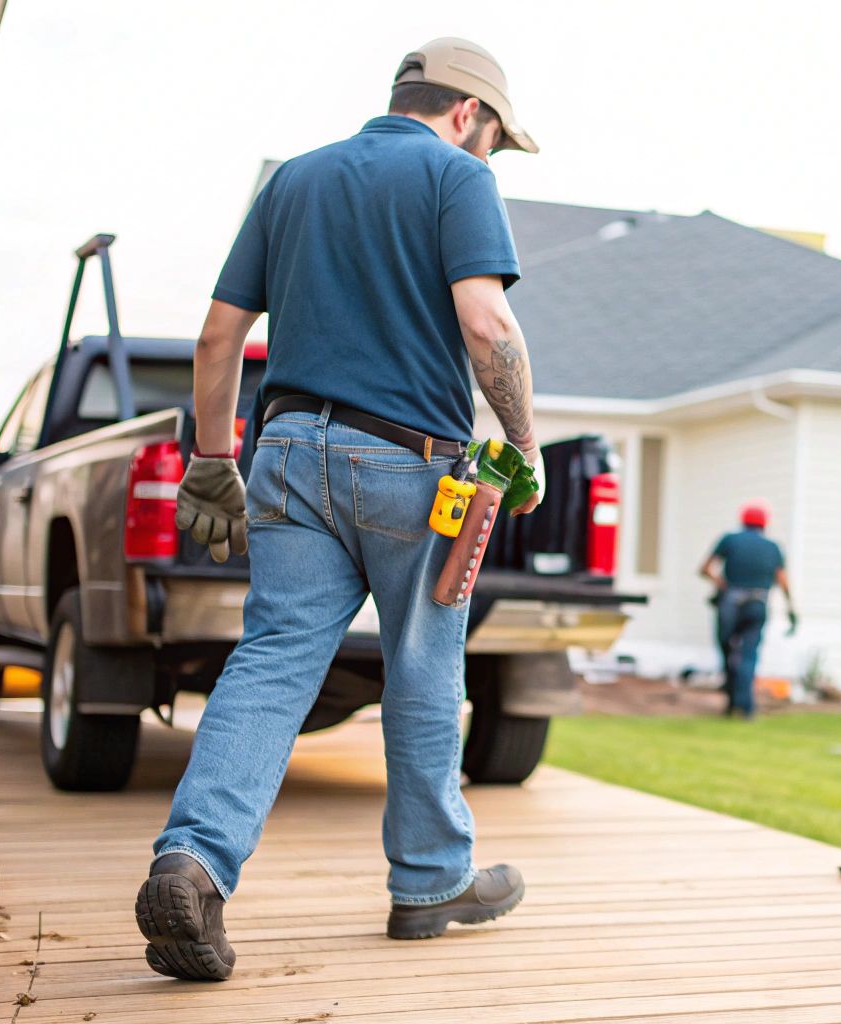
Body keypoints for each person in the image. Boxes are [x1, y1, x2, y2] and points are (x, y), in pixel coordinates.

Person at [137, 38, 546, 981]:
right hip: (409, 461)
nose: (488, 157)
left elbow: (217, 338)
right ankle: (432, 881)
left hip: (282, 452)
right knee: (423, 665)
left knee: (272, 662)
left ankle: (192, 862)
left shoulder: (295, 180)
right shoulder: (455, 176)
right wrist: (523, 444)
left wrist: (210, 461)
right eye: (492, 140)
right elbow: (486, 323)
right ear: (466, 114)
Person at [699, 503, 797, 720]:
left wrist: (721, 584)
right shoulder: (773, 547)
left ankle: (733, 702)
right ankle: (747, 707)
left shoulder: (730, 540)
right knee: (749, 655)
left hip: (730, 604)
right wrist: (791, 610)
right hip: (758, 604)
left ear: (743, 521)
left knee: (729, 652)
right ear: (765, 524)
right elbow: (782, 580)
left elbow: (705, 568)